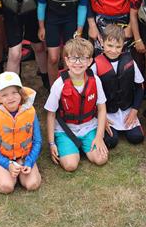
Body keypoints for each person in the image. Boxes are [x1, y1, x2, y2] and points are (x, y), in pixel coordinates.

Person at [44, 37, 109, 171]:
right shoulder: (59, 84)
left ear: (90, 61)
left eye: (83, 58)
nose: (78, 63)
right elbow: (51, 115)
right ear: (66, 60)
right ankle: (69, 148)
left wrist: (99, 136)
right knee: (70, 165)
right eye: (73, 58)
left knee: (102, 159)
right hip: (65, 130)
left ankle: (83, 146)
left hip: (88, 127)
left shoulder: (95, 80)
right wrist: (51, 143)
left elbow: (102, 109)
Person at [38, 0, 90, 84]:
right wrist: (41, 27)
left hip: (71, 19)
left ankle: (68, 88)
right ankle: (54, 89)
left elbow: (82, 6)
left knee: (69, 57)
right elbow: (41, 6)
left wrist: (79, 30)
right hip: (52, 19)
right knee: (54, 58)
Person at [0, 71, 42, 193]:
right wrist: (7, 164)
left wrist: (29, 161)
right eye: (4, 95)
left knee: (33, 184)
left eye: (14, 93)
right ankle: (1, 169)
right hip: (3, 156)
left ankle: (20, 165)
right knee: (6, 187)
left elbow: (37, 141)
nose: (10, 98)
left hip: (24, 155)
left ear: (21, 94)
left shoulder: (30, 112)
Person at [91, 25, 145, 148]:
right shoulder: (95, 65)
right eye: (110, 45)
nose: (114, 50)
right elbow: (90, 94)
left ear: (123, 45)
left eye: (118, 47)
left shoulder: (130, 61)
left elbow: (139, 88)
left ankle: (131, 125)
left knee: (136, 138)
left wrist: (134, 110)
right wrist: (99, 115)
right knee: (111, 141)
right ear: (102, 42)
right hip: (107, 111)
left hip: (127, 109)